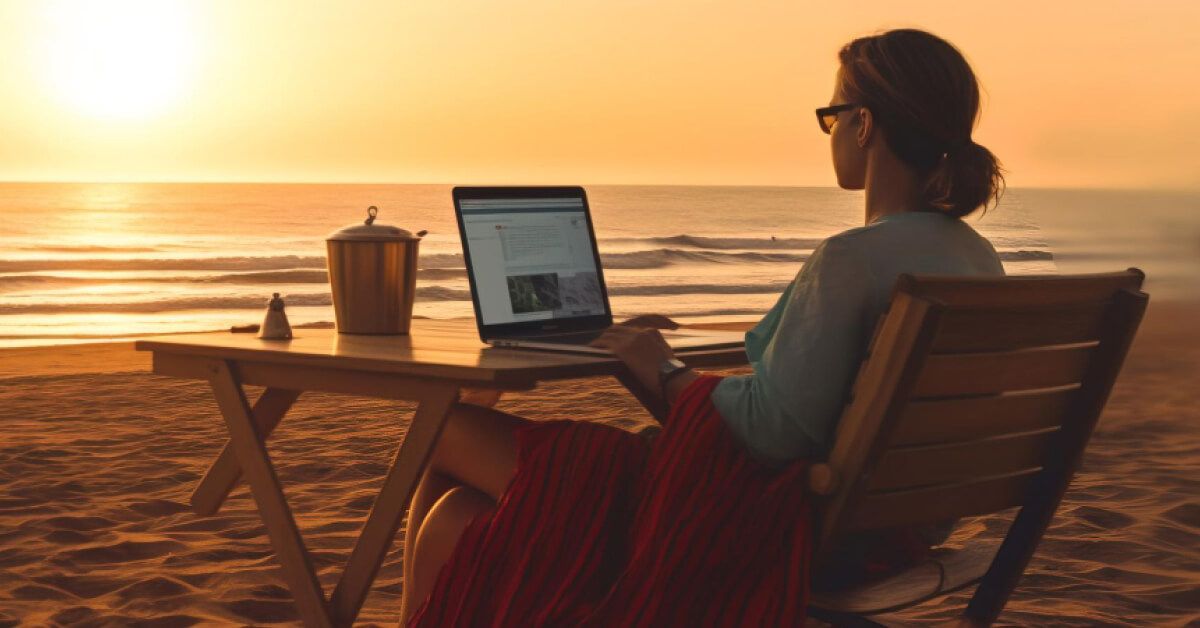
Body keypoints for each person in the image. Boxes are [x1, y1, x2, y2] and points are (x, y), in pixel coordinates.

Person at [400, 28, 1006, 626]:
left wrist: (661, 367)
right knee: (460, 516)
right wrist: (654, 369)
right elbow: (803, 418)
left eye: (832, 115)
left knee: (449, 425)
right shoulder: (978, 261)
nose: (831, 133)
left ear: (865, 124)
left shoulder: (853, 259)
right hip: (885, 532)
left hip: (761, 523)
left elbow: (772, 435)